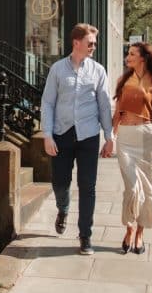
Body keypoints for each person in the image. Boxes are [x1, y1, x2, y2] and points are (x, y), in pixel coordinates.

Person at [40, 23, 114, 255]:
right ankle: (63, 208)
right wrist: (47, 135)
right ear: (76, 43)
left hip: (89, 136)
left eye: (94, 43)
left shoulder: (98, 71)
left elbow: (104, 105)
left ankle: (85, 236)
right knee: (60, 183)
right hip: (62, 134)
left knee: (88, 187)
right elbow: (48, 102)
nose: (93, 46)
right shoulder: (58, 70)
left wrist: (110, 136)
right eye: (90, 42)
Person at [111, 42, 152, 255]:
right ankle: (128, 227)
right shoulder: (123, 80)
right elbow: (117, 113)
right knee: (132, 188)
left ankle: (140, 233)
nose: (128, 57)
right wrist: (110, 138)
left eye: (132, 54)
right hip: (125, 139)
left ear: (143, 58)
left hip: (147, 139)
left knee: (150, 189)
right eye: (128, 53)